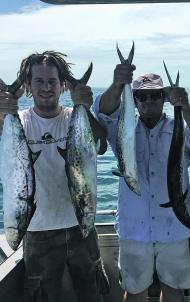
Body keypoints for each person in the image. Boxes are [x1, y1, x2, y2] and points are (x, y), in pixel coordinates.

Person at [92, 62, 190, 302]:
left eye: (156, 95)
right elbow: (103, 111)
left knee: (173, 290)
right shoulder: (122, 129)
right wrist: (119, 83)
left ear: (164, 97)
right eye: (141, 96)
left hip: (174, 227)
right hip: (133, 229)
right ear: (135, 100)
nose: (149, 100)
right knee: (135, 291)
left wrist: (185, 105)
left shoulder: (179, 126)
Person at [0, 51, 108, 302]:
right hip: (37, 232)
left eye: (52, 81)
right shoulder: (20, 122)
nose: (46, 87)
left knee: (92, 294)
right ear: (27, 85)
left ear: (63, 86)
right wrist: (3, 112)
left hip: (82, 225)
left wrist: (83, 106)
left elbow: (101, 145)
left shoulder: (74, 117)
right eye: (39, 81)